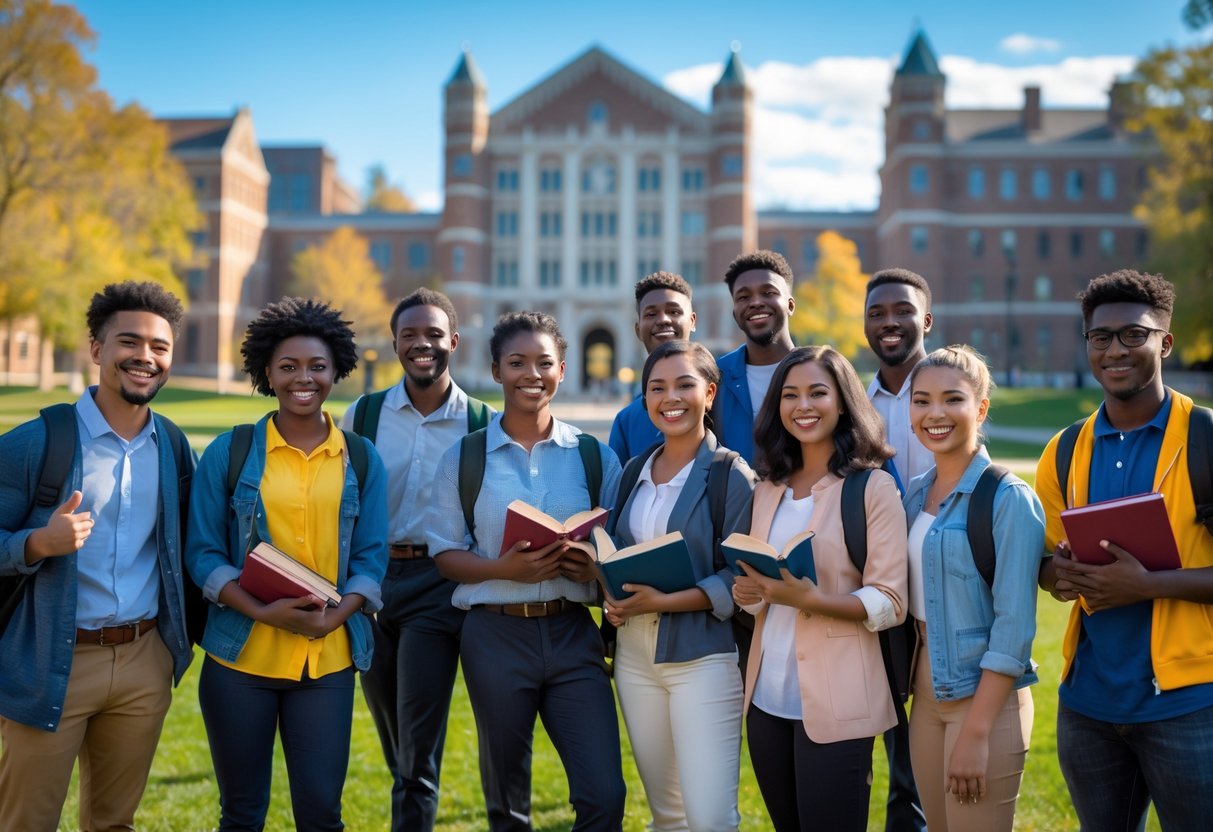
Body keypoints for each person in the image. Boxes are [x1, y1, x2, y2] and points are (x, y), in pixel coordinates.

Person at [185, 297, 388, 831]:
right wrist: (262, 611)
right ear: (267, 374)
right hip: (239, 662)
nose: (305, 378)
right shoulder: (228, 453)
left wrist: (335, 618)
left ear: (336, 370)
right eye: (289, 367)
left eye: (318, 366)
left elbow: (371, 556)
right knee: (242, 814)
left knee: (322, 814)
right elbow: (202, 552)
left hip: (324, 665)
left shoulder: (361, 458)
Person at [0, 282, 194, 832]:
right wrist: (37, 543)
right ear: (96, 349)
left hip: (142, 662)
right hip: (51, 662)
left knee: (114, 824)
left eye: (159, 347)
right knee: (25, 823)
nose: (145, 358)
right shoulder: (36, 442)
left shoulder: (173, 447)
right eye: (128, 342)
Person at [426, 311, 626, 832]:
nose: (531, 374)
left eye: (544, 363)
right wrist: (503, 568)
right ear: (496, 371)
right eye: (517, 363)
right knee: (507, 802)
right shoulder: (465, 457)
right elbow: (444, 553)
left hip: (571, 634)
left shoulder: (593, 455)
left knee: (604, 794)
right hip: (494, 634)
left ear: (562, 368)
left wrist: (594, 563)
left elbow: (620, 548)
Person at [1036, 270, 1213, 830]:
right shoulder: (1063, 451)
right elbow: (1040, 561)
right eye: (1100, 336)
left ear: (1164, 341)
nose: (1115, 350)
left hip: (1189, 707)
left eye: (1133, 335)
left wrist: (1149, 586)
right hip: (1087, 707)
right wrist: (1056, 575)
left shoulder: (1206, 441)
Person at [732, 346, 908, 832]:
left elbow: (891, 601)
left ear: (843, 402)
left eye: (817, 393)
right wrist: (750, 594)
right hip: (767, 698)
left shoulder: (872, 489)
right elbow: (763, 585)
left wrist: (809, 601)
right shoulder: (767, 487)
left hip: (840, 699)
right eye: (790, 395)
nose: (803, 405)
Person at [341, 288, 493, 832]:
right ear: (396, 343)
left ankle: (413, 808)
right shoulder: (364, 413)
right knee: (395, 739)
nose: (422, 344)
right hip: (372, 581)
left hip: (439, 585)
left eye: (433, 334)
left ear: (454, 341)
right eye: (410, 335)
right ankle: (409, 792)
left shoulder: (482, 423)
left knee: (418, 745)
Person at [604, 340, 755, 832]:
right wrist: (609, 590)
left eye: (685, 385)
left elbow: (743, 576)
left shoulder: (731, 475)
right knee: (667, 817)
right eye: (657, 387)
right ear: (644, 399)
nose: (671, 397)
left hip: (703, 659)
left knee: (710, 818)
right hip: (634, 658)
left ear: (709, 393)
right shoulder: (632, 473)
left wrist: (668, 600)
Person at [903, 345, 1043, 831]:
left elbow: (1015, 626)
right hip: (925, 699)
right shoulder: (915, 492)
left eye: (952, 399)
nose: (934, 413)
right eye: (921, 401)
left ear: (980, 409)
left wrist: (977, 731)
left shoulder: (1009, 497)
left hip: (985, 704)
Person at [863, 266, 934, 831]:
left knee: (936, 732)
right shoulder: (856, 404)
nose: (890, 323)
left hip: (940, 590)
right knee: (887, 723)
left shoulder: (948, 390)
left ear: (925, 320)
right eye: (878, 314)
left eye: (902, 311)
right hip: (881, 590)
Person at [711, 250, 797, 466]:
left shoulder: (822, 372)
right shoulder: (715, 377)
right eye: (743, 297)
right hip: (736, 499)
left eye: (768, 292)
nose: (756, 302)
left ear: (790, 305)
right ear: (734, 312)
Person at [608, 271, 697, 464]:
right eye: (651, 314)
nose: (663, 319)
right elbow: (619, 491)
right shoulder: (627, 421)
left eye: (674, 311)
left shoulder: (725, 396)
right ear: (638, 329)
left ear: (692, 321)